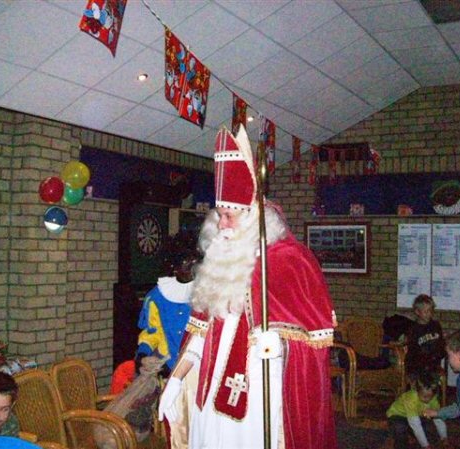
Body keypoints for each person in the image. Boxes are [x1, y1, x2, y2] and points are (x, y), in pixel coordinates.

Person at [157, 125, 337, 449]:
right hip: (212, 391)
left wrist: (278, 342)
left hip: (260, 391)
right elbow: (201, 333)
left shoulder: (286, 261)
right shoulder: (217, 262)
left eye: (230, 216)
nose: (222, 225)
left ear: (254, 218)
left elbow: (315, 338)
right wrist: (178, 377)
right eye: (220, 216)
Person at [135, 230, 201, 378]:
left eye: (195, 262)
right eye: (187, 262)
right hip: (165, 369)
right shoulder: (157, 297)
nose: (192, 267)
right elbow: (153, 333)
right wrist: (143, 355)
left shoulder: (205, 294)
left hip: (196, 372)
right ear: (175, 266)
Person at [387, 371, 448, 449]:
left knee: (428, 431)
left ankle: (410, 433)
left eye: (430, 396)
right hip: (397, 415)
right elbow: (415, 424)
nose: (427, 399)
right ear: (416, 391)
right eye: (424, 396)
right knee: (400, 428)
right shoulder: (411, 399)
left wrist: (444, 438)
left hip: (416, 416)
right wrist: (425, 446)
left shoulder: (433, 399)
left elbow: (438, 418)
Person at [405, 294, 446, 382]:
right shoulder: (413, 329)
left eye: (430, 311)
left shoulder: (436, 326)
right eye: (425, 311)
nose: (429, 314)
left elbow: (441, 345)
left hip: (433, 364)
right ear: (417, 312)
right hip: (418, 366)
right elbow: (412, 351)